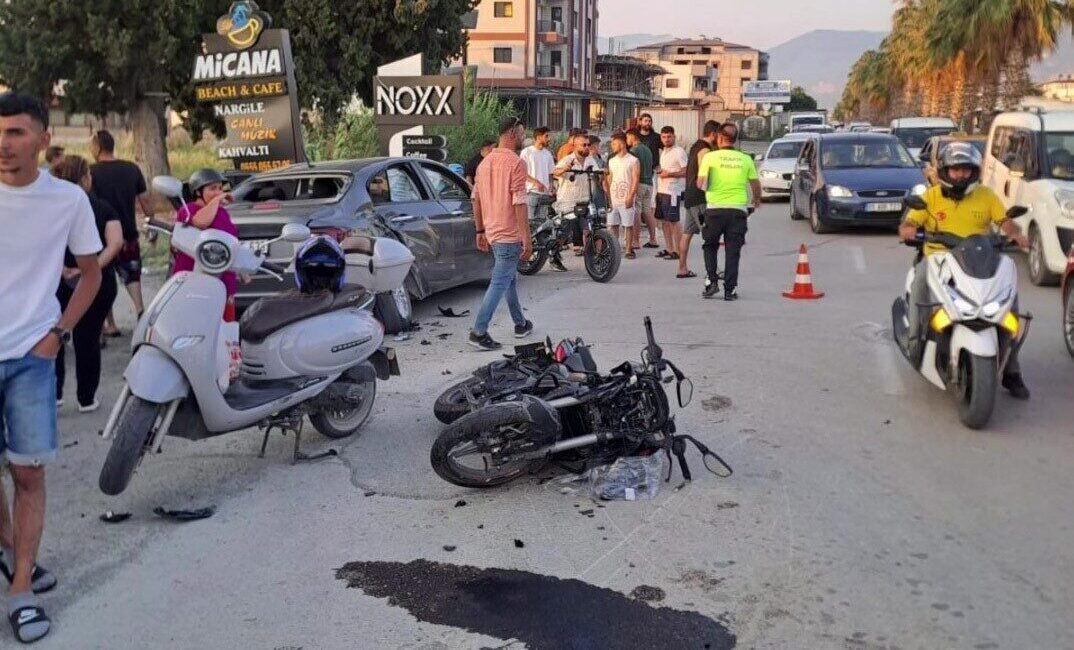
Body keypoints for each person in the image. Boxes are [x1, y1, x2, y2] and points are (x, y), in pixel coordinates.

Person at [0, 92, 103, 644]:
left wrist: (56, 335)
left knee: (28, 472)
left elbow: (90, 275)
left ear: (42, 140)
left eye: (16, 132)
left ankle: (20, 590)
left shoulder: (66, 201)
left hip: (31, 359)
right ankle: (14, 551)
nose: (4, 143)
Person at [899, 142, 1031, 399]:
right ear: (945, 171)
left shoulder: (986, 196)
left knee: (1010, 311)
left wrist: (1016, 235)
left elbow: (1005, 222)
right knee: (920, 295)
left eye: (966, 170)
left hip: (978, 260)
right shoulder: (930, 197)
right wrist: (911, 233)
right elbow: (907, 226)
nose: (960, 175)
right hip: (937, 259)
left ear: (974, 172)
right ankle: (915, 344)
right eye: (955, 170)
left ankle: (1011, 370)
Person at [51, 156, 122, 413]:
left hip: (57, 280)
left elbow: (43, 245)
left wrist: (63, 270)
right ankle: (86, 397)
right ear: (85, 178)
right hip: (97, 281)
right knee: (88, 338)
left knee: (54, 334)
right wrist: (90, 269)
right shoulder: (103, 208)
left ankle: (55, 393)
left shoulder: (51, 209)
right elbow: (114, 243)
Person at [469, 116, 533, 351]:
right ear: (513, 133)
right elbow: (519, 203)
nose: (523, 136)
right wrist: (527, 238)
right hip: (509, 234)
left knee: (508, 279)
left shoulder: (484, 164)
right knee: (499, 282)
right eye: (522, 132)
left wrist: (480, 230)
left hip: (494, 233)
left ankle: (521, 323)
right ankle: (479, 331)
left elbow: (475, 200)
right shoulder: (516, 163)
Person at [90, 130, 152, 336]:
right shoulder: (131, 169)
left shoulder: (92, 172)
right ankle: (141, 311)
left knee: (103, 280)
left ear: (97, 147)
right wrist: (150, 225)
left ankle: (110, 324)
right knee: (133, 275)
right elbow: (145, 201)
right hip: (128, 232)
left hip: (102, 237)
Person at [697, 123, 761, 300]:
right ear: (735, 139)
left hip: (714, 210)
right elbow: (755, 184)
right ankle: (730, 290)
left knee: (710, 246)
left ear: (719, 138)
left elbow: (700, 183)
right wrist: (756, 200)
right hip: (738, 211)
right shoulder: (745, 159)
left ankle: (711, 283)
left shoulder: (710, 158)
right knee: (733, 251)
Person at [171, 169, 243, 322]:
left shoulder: (223, 213)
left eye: (219, 188)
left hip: (224, 282)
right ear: (198, 192)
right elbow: (201, 222)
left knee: (225, 329)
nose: (218, 192)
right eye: (212, 189)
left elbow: (231, 242)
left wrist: (242, 268)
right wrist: (217, 200)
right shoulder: (188, 210)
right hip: (194, 283)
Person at [678, 120, 719, 280]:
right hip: (700, 197)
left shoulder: (696, 145)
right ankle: (712, 272)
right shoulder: (705, 150)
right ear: (713, 134)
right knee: (709, 234)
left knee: (687, 233)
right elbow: (704, 174)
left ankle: (682, 268)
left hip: (690, 196)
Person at [553, 133, 600, 262]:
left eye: (588, 145)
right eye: (583, 145)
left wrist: (603, 173)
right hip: (568, 202)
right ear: (575, 146)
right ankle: (554, 255)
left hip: (584, 201)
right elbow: (555, 172)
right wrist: (565, 170)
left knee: (589, 228)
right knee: (564, 232)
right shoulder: (568, 159)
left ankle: (592, 257)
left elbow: (597, 173)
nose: (587, 147)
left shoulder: (590, 160)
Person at [604, 132, 640, 259]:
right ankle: (614, 247)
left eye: (614, 143)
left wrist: (631, 196)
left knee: (628, 224)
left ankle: (629, 249)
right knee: (613, 224)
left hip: (626, 196)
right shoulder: (612, 160)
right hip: (613, 197)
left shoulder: (633, 160)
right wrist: (607, 194)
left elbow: (636, 179)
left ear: (622, 144)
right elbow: (610, 178)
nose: (612, 146)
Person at [655, 126, 688, 262]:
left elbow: (686, 171)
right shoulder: (664, 152)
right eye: (664, 137)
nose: (666, 139)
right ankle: (669, 249)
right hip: (662, 190)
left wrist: (670, 174)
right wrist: (660, 171)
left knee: (674, 221)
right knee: (664, 221)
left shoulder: (679, 152)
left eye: (669, 136)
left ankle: (678, 251)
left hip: (673, 191)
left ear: (674, 136)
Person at [626, 128, 659, 251]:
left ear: (632, 136)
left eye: (628, 137)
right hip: (649, 183)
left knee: (636, 212)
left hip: (639, 183)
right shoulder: (648, 150)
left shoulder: (634, 151)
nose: (627, 140)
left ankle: (635, 241)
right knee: (648, 211)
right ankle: (653, 239)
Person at [519, 126, 557, 223]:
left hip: (545, 194)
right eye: (547, 136)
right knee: (529, 223)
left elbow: (550, 173)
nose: (549, 139)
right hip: (531, 193)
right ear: (539, 137)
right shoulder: (526, 152)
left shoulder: (548, 154)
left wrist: (551, 186)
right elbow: (522, 172)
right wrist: (536, 183)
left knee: (542, 224)